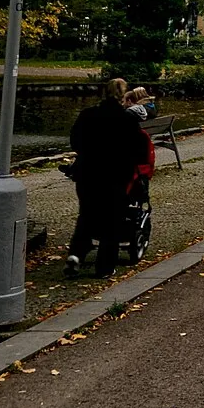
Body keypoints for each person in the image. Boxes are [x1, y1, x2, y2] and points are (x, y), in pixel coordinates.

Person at [66, 78, 146, 278]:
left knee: (87, 214)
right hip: (115, 175)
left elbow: (74, 141)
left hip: (87, 173)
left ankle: (76, 254)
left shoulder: (88, 115)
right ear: (124, 95)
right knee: (112, 219)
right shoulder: (126, 120)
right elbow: (139, 149)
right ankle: (104, 267)